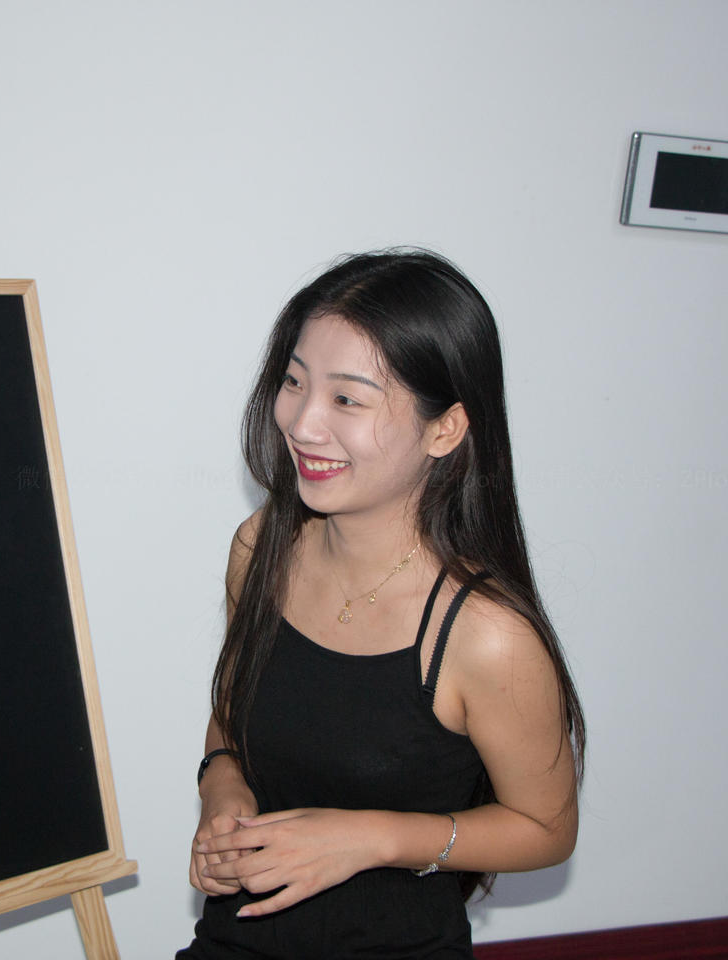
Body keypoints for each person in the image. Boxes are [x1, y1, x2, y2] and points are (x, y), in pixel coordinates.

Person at [176, 249, 586, 960]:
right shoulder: (260, 548)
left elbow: (546, 830)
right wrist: (222, 784)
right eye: (294, 382)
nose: (303, 424)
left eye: (348, 400)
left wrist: (372, 838)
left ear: (444, 429)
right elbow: (232, 710)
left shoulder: (486, 634)